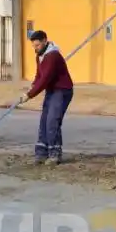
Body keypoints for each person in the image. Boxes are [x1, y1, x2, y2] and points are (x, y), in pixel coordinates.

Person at [22, 30, 74, 165]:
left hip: (62, 90)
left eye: (37, 45)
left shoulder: (53, 56)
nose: (35, 48)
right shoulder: (40, 56)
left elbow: (45, 79)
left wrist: (30, 95)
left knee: (52, 121)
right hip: (51, 90)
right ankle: (41, 152)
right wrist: (32, 86)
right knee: (44, 119)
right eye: (34, 46)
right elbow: (39, 75)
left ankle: (55, 154)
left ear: (45, 41)